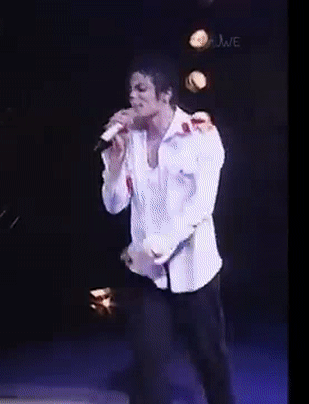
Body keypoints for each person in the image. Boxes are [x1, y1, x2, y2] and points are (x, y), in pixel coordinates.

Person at [100, 54, 236, 404]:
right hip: (148, 275)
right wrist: (114, 161)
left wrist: (161, 243)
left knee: (210, 362)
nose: (133, 97)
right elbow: (114, 204)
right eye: (130, 89)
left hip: (195, 270)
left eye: (141, 89)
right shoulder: (130, 138)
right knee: (148, 369)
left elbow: (201, 204)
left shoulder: (200, 134)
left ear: (166, 94)